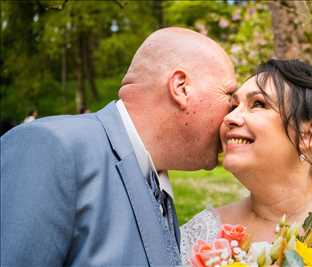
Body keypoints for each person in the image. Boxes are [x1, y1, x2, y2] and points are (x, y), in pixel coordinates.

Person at [1, 27, 236, 267]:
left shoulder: (158, 186)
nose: (234, 115)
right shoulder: (49, 147)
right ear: (181, 87)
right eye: (229, 96)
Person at [180, 59, 312, 266]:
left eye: (258, 104)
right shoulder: (200, 234)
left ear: (307, 133)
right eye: (233, 107)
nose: (230, 118)